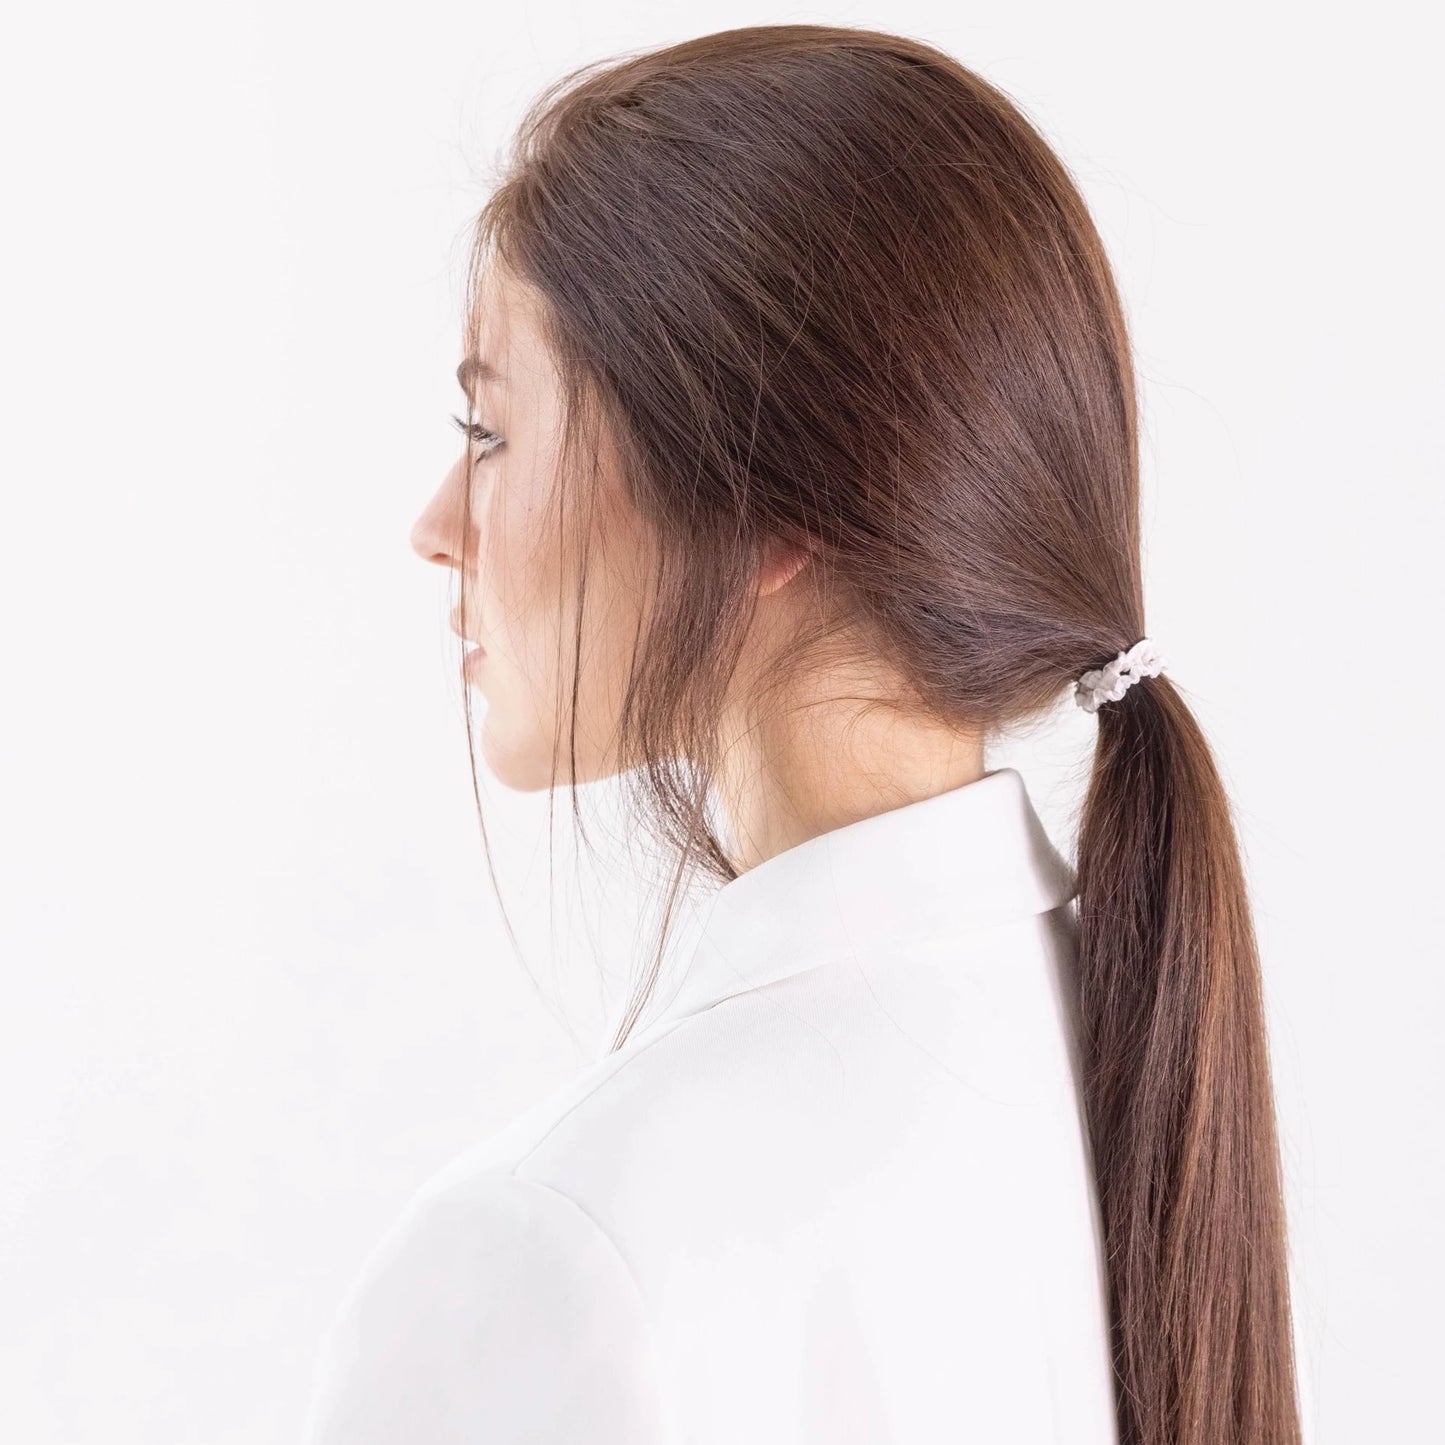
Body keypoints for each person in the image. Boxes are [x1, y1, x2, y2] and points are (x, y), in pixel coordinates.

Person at [300, 24, 1303, 1445]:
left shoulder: (555, 1261)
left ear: (760, 505)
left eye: (493, 433)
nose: (436, 525)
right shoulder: (1127, 1064)